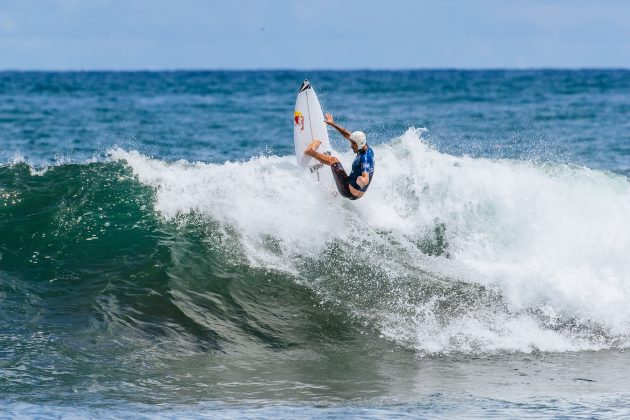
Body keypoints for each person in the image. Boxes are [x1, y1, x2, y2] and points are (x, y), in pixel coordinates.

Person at [305, 113, 374, 200]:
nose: (351, 145)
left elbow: (366, 176)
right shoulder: (364, 145)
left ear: (359, 145)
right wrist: (332, 124)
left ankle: (310, 151)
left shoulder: (365, 158)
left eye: (353, 144)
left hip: (348, 191)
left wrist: (363, 180)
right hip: (356, 193)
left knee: (333, 160)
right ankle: (334, 194)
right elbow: (347, 134)